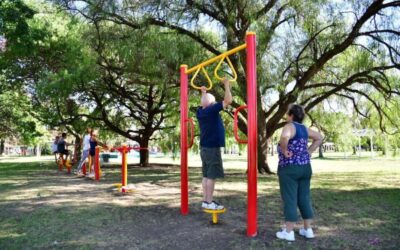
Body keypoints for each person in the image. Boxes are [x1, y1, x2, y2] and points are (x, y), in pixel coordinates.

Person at [276, 104, 323, 241]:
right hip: (305, 168)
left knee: (290, 198)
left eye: (286, 113)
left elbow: (285, 136)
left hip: (290, 169)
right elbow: (319, 137)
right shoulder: (304, 129)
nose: (286, 115)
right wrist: (308, 152)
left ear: (291, 115)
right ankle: (308, 230)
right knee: (304, 197)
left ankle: (289, 232)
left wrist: (284, 150)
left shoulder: (289, 126)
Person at [196, 78, 232, 210]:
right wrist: (227, 85)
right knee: (211, 176)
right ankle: (209, 202)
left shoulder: (200, 112)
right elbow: (228, 100)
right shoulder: (212, 110)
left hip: (204, 149)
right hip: (211, 149)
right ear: (212, 104)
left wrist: (204, 93)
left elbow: (204, 102)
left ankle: (206, 200)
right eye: (215, 102)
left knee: (206, 175)